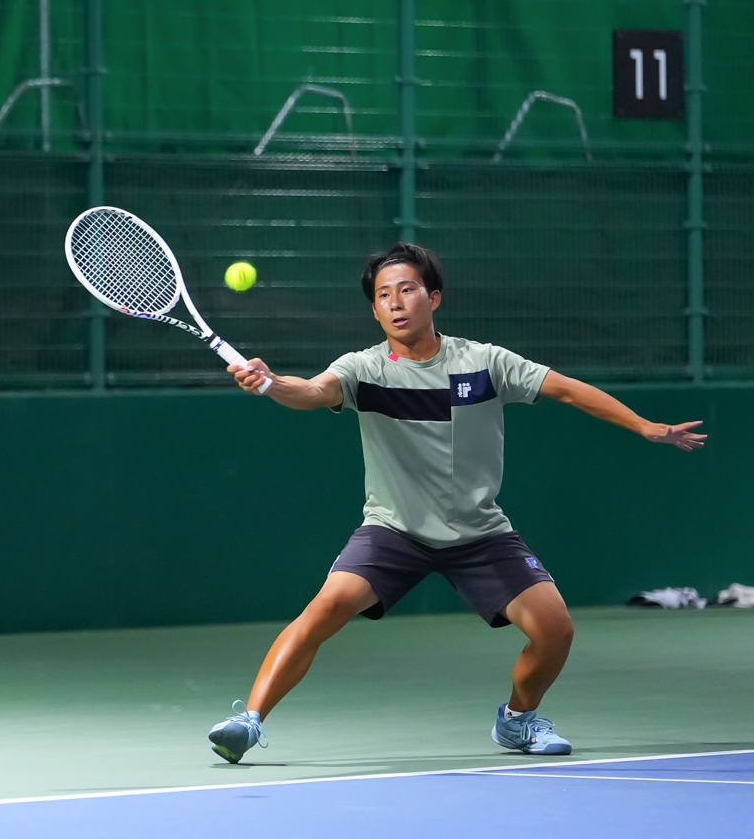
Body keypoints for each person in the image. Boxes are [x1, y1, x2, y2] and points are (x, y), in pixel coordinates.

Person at [207, 243, 706, 764]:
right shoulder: (362, 368)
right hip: (394, 530)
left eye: (407, 290)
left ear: (434, 298)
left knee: (555, 629)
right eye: (383, 295)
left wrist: (644, 425)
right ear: (374, 310)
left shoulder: (484, 362)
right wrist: (270, 383)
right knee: (325, 608)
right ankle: (249, 721)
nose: (396, 302)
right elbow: (312, 392)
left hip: (480, 533)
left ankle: (517, 720)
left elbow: (567, 390)